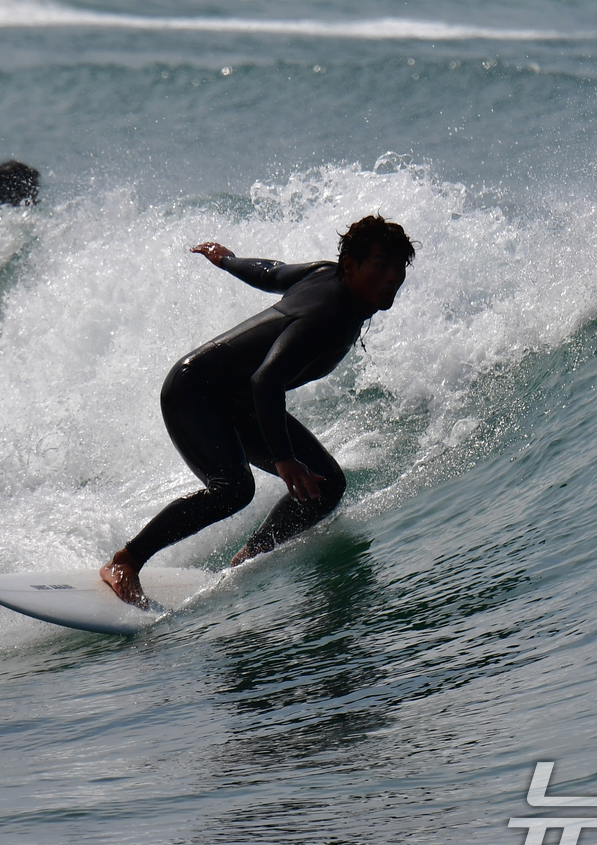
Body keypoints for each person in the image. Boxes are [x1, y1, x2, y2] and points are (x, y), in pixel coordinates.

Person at [100, 215, 417, 608]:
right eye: (381, 264)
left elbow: (273, 273)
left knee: (327, 483)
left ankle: (251, 554)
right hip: (195, 389)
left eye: (398, 267)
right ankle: (125, 562)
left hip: (235, 398)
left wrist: (227, 260)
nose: (392, 277)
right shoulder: (330, 316)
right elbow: (266, 380)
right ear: (350, 265)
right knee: (233, 489)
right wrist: (285, 460)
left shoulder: (326, 277)